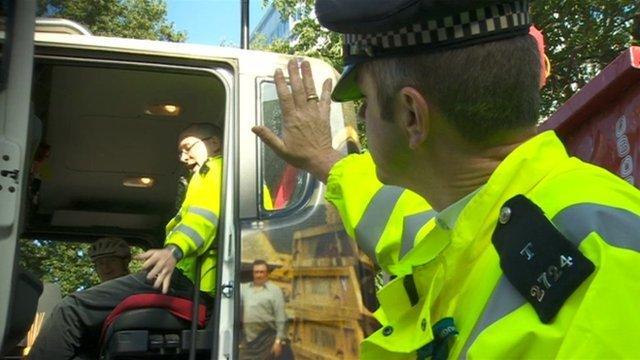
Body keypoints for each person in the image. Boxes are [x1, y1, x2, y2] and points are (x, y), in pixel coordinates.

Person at [252, 0, 640, 358]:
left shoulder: (605, 273)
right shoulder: (489, 212)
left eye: (366, 101)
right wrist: (323, 159)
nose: (365, 118)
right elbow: (402, 224)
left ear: (411, 116)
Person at [29, 123, 223, 359]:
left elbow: (204, 218)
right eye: (179, 152)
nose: (183, 157)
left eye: (187, 147)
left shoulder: (214, 169)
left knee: (71, 309)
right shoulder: (223, 176)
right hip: (199, 284)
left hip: (187, 283)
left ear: (214, 143)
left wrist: (173, 250)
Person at [239, 259, 287, 360]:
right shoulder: (244, 289)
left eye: (262, 272)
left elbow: (281, 317)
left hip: (267, 339)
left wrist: (278, 341)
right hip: (248, 340)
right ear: (253, 273)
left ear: (267, 273)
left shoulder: (275, 291)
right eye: (256, 272)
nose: (259, 275)